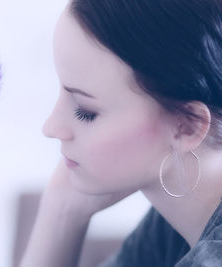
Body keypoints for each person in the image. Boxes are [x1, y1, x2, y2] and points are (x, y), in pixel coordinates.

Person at [19, 0, 222, 266]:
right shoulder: (172, 225)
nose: (51, 127)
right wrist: (63, 209)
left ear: (187, 126)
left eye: (85, 111)